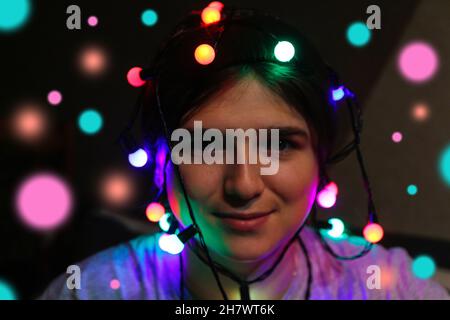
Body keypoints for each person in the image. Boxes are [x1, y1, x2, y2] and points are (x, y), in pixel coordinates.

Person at [40, 5, 449, 300]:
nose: (244, 184)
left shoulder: (389, 286)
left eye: (279, 144)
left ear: (319, 162)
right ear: (160, 160)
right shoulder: (89, 291)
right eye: (204, 144)